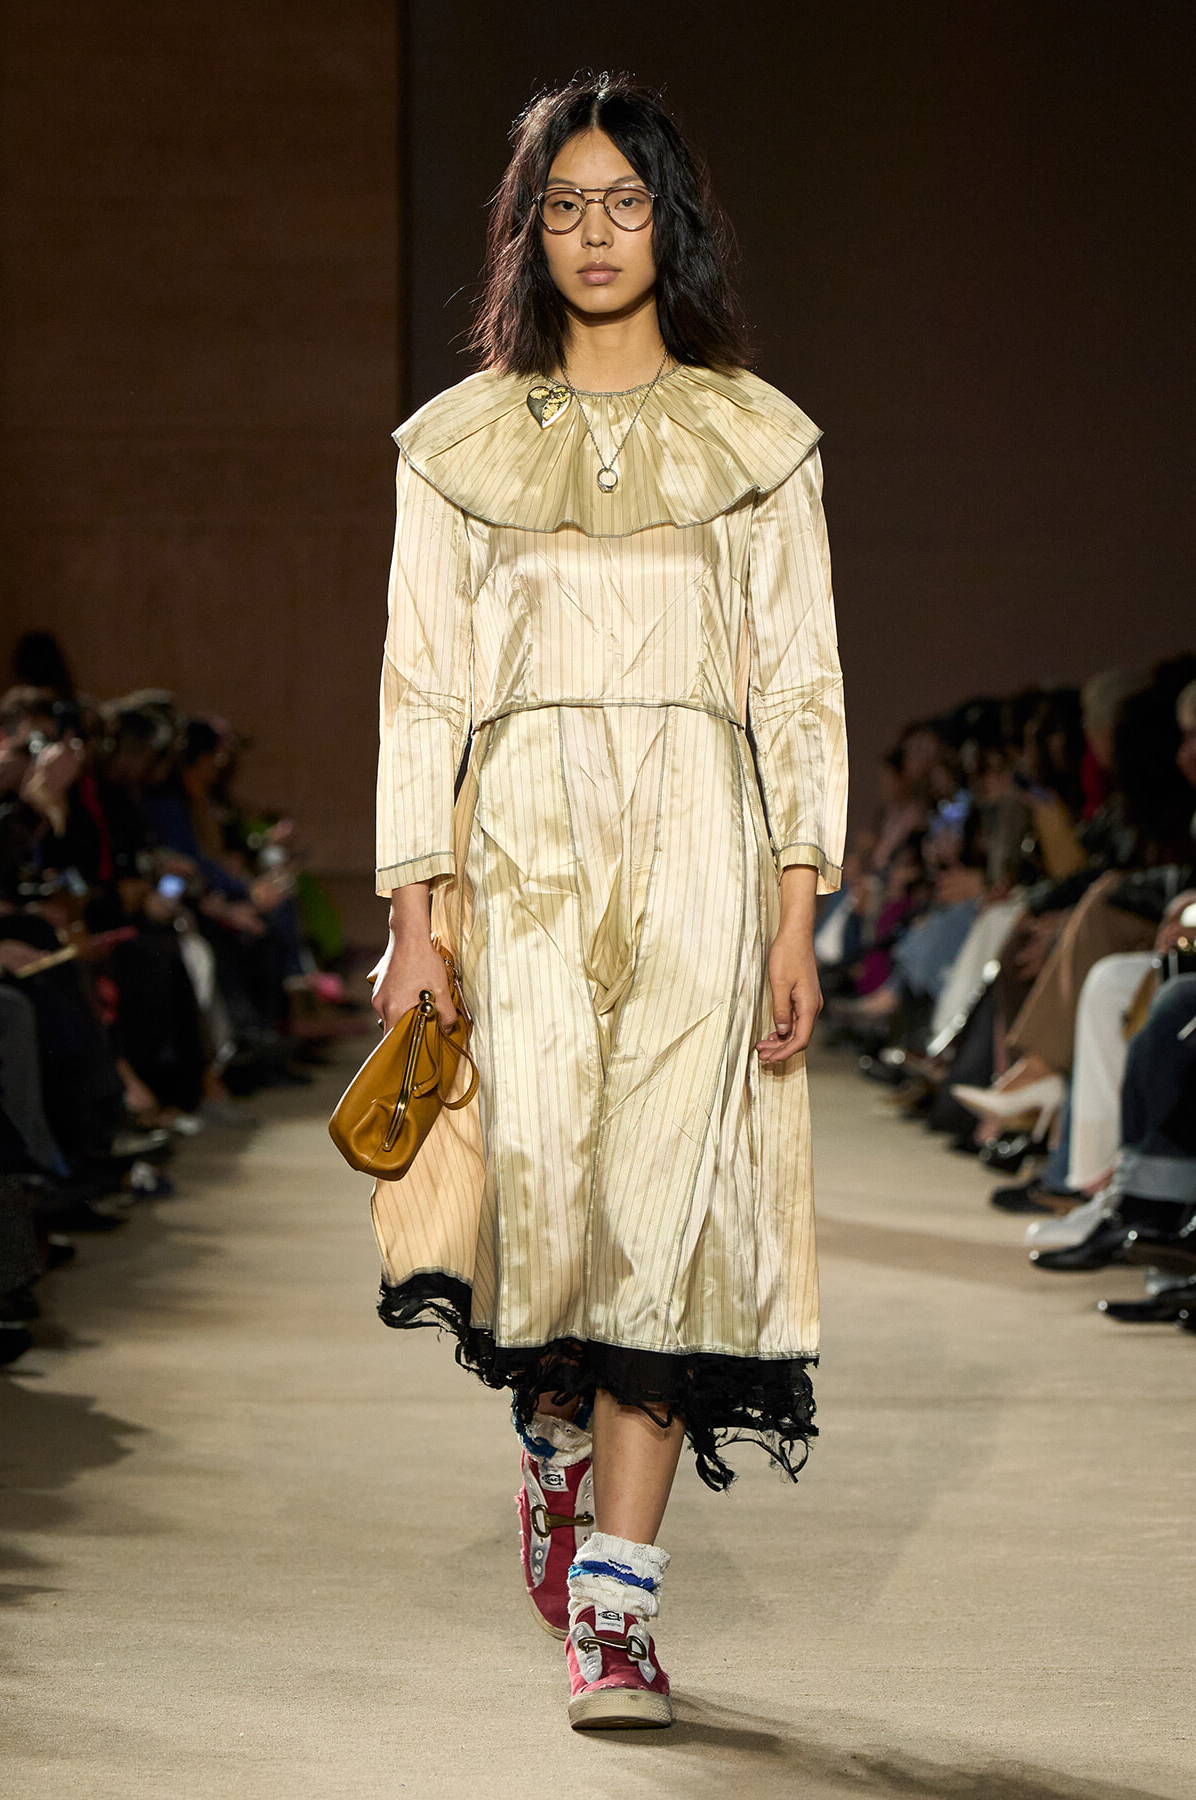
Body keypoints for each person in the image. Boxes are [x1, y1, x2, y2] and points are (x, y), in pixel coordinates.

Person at [366, 74, 847, 1731]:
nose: (592, 233)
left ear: (669, 221)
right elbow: (419, 687)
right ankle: (552, 1445)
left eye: (621, 203)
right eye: (563, 206)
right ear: (531, 231)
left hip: (709, 836)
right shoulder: (462, 445)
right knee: (549, 1200)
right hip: (520, 849)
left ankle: (619, 1610)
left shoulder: (758, 438)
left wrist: (799, 907)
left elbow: (799, 684)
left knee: (663, 1204)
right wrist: (414, 919)